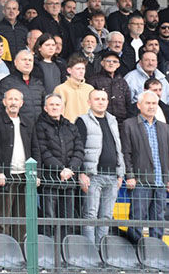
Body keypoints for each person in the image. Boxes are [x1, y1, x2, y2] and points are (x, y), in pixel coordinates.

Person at [0, 88, 40, 241]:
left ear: (21, 103)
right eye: (10, 99)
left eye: (16, 99)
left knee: (21, 219)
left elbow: (35, 149)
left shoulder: (28, 122)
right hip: (6, 177)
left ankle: (19, 250)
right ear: (4, 102)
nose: (13, 102)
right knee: (3, 219)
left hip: (24, 176)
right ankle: (2, 249)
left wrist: (36, 174)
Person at [75, 90, 124, 247]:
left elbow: (118, 148)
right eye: (97, 99)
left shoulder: (113, 120)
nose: (101, 102)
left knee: (106, 217)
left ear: (108, 102)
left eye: (103, 99)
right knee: (90, 215)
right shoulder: (82, 121)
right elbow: (78, 148)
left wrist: (120, 173)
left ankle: (101, 251)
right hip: (93, 175)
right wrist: (81, 172)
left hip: (113, 176)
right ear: (89, 102)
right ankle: (90, 252)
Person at [121, 90, 169, 244]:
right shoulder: (129, 125)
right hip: (140, 181)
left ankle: (156, 251)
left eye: (154, 103)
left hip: (160, 182)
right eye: (147, 103)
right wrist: (130, 175)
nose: (151, 106)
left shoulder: (164, 128)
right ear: (139, 105)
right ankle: (135, 250)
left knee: (158, 220)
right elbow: (126, 153)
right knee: (137, 219)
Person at [35, 93, 84, 238]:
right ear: (45, 108)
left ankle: (65, 247)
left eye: (57, 105)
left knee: (67, 219)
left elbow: (79, 150)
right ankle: (49, 246)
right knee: (49, 218)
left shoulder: (71, 126)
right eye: (51, 105)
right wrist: (61, 169)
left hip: (69, 179)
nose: (55, 107)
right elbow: (43, 151)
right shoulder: (39, 126)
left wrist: (70, 169)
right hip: (50, 179)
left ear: (62, 108)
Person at [0, 50, 46, 126]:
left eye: (30, 60)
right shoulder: (6, 83)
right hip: (17, 128)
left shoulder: (38, 83)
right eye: (24, 60)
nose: (27, 63)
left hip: (38, 128)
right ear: (15, 62)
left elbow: (44, 107)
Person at [53, 54, 95, 122]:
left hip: (88, 126)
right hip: (68, 126)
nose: (81, 71)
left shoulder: (90, 89)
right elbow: (58, 114)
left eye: (83, 69)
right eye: (78, 69)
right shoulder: (60, 89)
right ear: (69, 70)